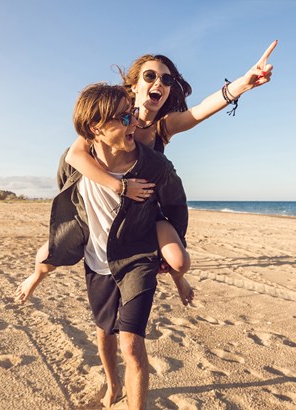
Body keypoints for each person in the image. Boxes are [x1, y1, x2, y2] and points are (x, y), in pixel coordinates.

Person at [20, 41, 277, 307]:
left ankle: (178, 279)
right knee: (52, 252)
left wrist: (244, 84)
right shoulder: (108, 118)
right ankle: (34, 279)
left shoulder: (162, 127)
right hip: (100, 202)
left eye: (166, 79)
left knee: (179, 261)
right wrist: (119, 187)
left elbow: (199, 111)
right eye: (150, 75)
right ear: (134, 85)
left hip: (143, 206)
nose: (159, 83)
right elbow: (74, 156)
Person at [16, 83, 189, 409]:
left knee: (131, 346)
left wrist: (172, 252)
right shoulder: (75, 163)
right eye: (123, 118)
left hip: (137, 259)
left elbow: (176, 206)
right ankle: (112, 386)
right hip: (97, 263)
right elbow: (67, 194)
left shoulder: (154, 166)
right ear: (96, 128)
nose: (133, 123)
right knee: (103, 334)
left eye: (132, 114)